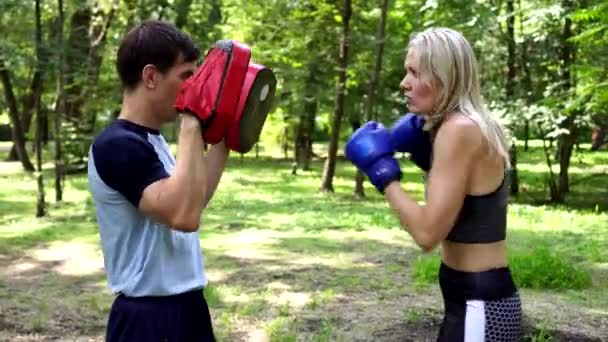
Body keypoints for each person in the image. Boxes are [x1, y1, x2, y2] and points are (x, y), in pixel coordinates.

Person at [345, 27, 522, 341]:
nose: (404, 83)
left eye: (415, 72)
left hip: (477, 304)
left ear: (445, 77)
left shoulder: (459, 130)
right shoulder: (476, 125)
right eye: (406, 72)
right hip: (477, 300)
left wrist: (382, 172)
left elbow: (427, 234)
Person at [87, 21, 229, 341]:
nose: (193, 87)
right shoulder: (117, 145)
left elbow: (192, 200)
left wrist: (223, 135)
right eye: (186, 77)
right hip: (148, 320)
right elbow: (183, 216)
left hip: (188, 307)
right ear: (150, 76)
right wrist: (191, 123)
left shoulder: (154, 142)